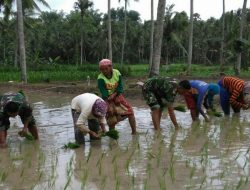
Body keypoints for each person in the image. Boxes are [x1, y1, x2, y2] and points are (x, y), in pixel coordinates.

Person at [97, 59, 136, 134]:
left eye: (106, 69)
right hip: (107, 99)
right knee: (111, 117)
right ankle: (112, 136)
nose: (104, 71)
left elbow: (120, 86)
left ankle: (134, 132)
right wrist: (109, 104)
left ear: (111, 67)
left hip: (117, 95)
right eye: (102, 69)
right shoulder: (100, 78)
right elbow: (104, 92)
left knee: (130, 112)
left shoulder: (116, 72)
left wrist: (114, 94)